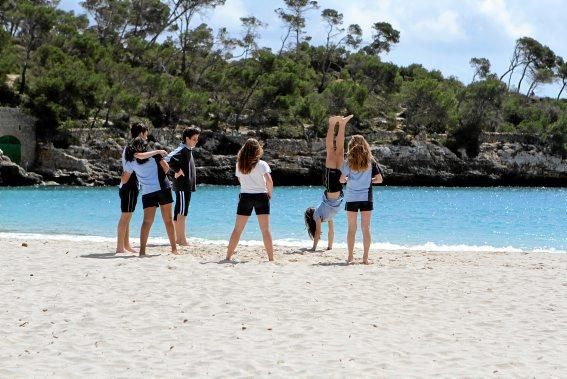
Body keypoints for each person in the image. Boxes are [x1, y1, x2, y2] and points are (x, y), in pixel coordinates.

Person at [304, 115, 353, 251]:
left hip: (331, 187)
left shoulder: (317, 216)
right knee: (340, 151)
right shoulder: (327, 217)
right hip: (338, 188)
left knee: (331, 151)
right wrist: (329, 247)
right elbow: (331, 232)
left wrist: (313, 248)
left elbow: (318, 230)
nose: (314, 208)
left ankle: (332, 124)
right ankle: (342, 125)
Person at [122, 137, 178, 256]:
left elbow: (125, 178)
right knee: (168, 220)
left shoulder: (131, 161)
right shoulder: (155, 156)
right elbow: (166, 168)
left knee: (147, 221)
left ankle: (142, 251)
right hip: (163, 188)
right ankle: (174, 249)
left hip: (147, 192)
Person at [116, 122, 164, 254]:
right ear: (141, 133)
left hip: (130, 185)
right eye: (146, 133)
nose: (147, 136)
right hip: (129, 185)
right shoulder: (133, 149)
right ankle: (120, 247)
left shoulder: (132, 147)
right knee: (125, 216)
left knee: (128, 216)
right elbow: (127, 171)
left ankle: (126, 245)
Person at [225, 138, 274, 262]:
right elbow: (269, 181)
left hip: (245, 196)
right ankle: (271, 258)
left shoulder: (239, 164)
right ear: (257, 150)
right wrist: (269, 193)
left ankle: (228, 257)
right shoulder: (262, 164)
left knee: (237, 229)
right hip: (261, 196)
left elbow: (240, 180)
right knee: (265, 230)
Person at [340, 135, 383, 264]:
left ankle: (350, 257)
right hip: (367, 198)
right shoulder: (371, 161)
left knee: (351, 228)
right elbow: (379, 179)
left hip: (352, 197)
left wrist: (349, 180)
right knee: (366, 228)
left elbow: (342, 179)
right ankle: (365, 258)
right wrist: (367, 180)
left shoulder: (348, 161)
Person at [164, 126, 200, 246]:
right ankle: (182, 239)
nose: (196, 141)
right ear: (187, 138)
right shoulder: (182, 149)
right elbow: (166, 159)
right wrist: (177, 170)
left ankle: (177, 238)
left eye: (197, 139)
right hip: (183, 186)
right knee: (183, 212)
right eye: (194, 139)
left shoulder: (187, 150)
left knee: (179, 210)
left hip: (185, 186)